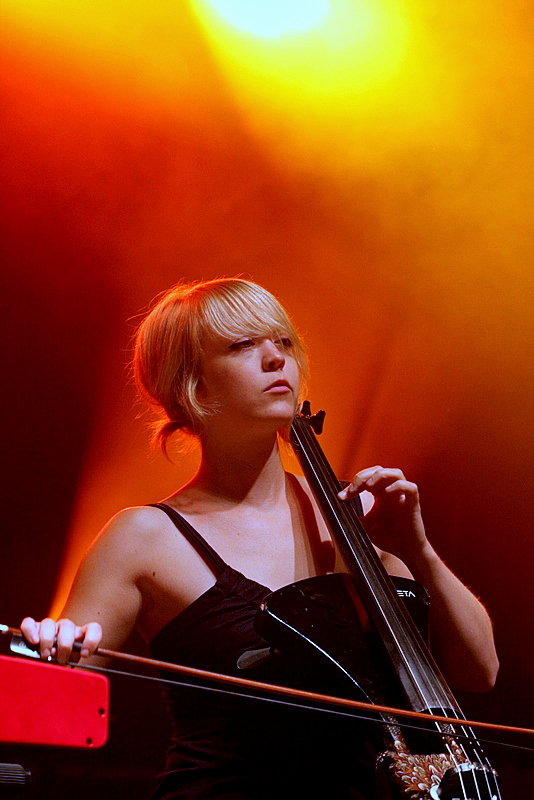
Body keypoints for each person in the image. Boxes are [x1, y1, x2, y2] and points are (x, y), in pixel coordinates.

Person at [21, 278, 499, 799]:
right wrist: (55, 649)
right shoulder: (146, 537)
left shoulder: (352, 514)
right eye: (242, 345)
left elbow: (480, 670)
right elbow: (50, 697)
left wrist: (418, 551)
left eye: (284, 342)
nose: (276, 359)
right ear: (191, 383)